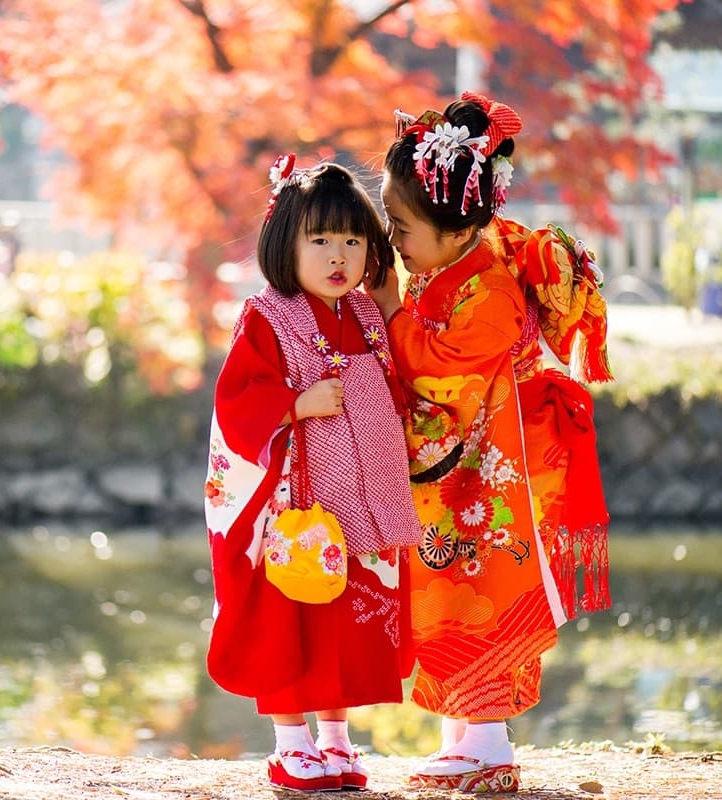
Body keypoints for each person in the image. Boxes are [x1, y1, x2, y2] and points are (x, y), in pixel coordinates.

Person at [367, 92, 613, 793]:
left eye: (401, 226)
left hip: (501, 462)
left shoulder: (491, 290)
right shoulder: (466, 254)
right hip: (480, 453)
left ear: (455, 230)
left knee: (483, 589)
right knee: (451, 590)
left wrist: (392, 312)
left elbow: (439, 369)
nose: (391, 239)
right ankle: (466, 739)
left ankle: (487, 744)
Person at [204, 156, 423, 792]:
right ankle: (290, 743)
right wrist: (296, 403)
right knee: (291, 617)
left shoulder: (366, 315)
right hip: (297, 509)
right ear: (286, 243)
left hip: (364, 501)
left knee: (346, 623)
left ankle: (335, 739)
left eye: (353, 240)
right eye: (320, 239)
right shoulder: (268, 315)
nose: (338, 256)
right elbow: (237, 400)